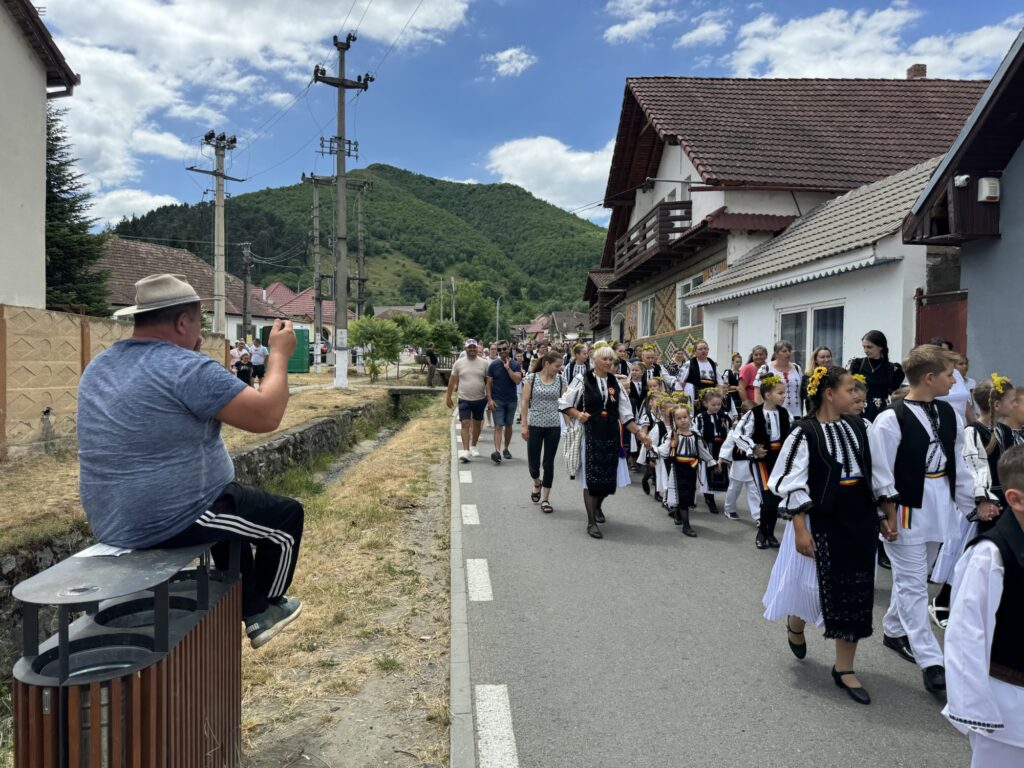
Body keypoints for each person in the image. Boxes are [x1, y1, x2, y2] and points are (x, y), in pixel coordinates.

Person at [77, 274, 304, 650]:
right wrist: (279, 355)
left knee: (232, 511)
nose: (201, 331)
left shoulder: (101, 365)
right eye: (200, 322)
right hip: (171, 517)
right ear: (183, 323)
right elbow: (266, 415)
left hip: (111, 519)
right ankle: (266, 607)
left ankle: (248, 604)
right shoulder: (185, 367)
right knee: (285, 519)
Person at [765, 366, 879, 705]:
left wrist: (887, 513)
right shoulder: (805, 432)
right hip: (821, 517)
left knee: (855, 588)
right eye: (849, 389)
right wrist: (800, 529)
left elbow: (878, 471)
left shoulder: (861, 426)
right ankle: (796, 624)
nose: (856, 395)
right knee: (810, 586)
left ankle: (844, 668)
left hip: (859, 516)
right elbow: (790, 481)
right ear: (829, 394)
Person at [870, 344, 976, 696]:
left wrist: (974, 505)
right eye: (949, 375)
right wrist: (883, 514)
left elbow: (959, 467)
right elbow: (880, 473)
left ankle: (893, 629)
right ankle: (932, 662)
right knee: (914, 585)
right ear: (930, 378)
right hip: (904, 511)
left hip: (938, 506)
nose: (954, 381)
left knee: (913, 580)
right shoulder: (891, 419)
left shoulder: (949, 414)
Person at [942, 444, 1024, 768]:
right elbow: (966, 633)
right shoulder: (991, 555)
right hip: (1008, 704)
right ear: (1016, 499)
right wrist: (977, 709)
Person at [929, 375, 1014, 629]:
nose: (1015, 404)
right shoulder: (972, 432)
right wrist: (983, 499)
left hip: (1002, 500)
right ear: (997, 405)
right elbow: (974, 468)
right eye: (1012, 400)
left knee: (993, 556)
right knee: (967, 554)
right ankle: (942, 601)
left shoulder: (1003, 431)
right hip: (981, 503)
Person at [558, 345, 652, 539]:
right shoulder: (582, 379)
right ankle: (591, 522)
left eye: (611, 360)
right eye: (605, 359)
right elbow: (565, 403)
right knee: (591, 479)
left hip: (610, 433)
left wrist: (639, 433)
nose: (609, 363)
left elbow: (625, 413)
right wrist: (578, 414)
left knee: (608, 480)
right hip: (589, 433)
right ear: (594, 360)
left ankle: (598, 506)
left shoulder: (615, 382)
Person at [735, 374, 791, 549]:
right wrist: (753, 448)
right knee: (767, 497)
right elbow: (739, 434)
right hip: (762, 460)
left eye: (784, 393)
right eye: (780, 393)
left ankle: (770, 533)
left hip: (779, 461)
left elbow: (793, 435)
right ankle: (762, 533)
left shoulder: (785, 413)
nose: (784, 396)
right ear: (768, 395)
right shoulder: (754, 413)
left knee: (775, 497)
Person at [520, 351, 567, 514]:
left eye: (560, 366)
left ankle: (546, 499)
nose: (559, 369)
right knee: (533, 464)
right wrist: (524, 425)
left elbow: (565, 405)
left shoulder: (561, 380)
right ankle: (536, 482)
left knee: (548, 463)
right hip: (535, 424)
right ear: (547, 364)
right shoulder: (531, 378)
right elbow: (524, 402)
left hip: (553, 426)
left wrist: (569, 426)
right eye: (557, 365)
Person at [658, 403, 714, 537]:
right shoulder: (673, 435)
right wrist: (652, 449)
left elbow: (702, 451)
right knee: (682, 495)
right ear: (674, 421)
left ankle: (678, 513)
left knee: (689, 494)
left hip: (692, 469)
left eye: (685, 417)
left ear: (690, 418)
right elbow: (664, 450)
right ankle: (686, 525)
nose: (683, 420)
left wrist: (712, 462)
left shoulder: (695, 436)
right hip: (678, 469)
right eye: (679, 418)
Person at [847, 330, 906, 422]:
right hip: (860, 410)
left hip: (882, 412)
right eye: (864, 347)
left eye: (869, 347)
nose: (865, 350)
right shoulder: (857, 364)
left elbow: (895, 394)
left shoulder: (893, 369)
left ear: (881, 347)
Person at [446, 339, 489, 463]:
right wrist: (448, 397)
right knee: (465, 423)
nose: (472, 349)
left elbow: (489, 381)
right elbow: (452, 381)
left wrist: (489, 396)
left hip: (479, 398)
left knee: (477, 424)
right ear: (465, 349)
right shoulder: (458, 363)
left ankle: (473, 446)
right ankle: (465, 450)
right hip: (464, 398)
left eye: (474, 347)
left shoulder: (484, 363)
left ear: (477, 348)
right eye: (469, 347)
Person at [720, 401, 761, 522]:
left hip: (753, 463)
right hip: (739, 463)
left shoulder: (758, 428)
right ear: (742, 415)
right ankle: (729, 509)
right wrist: (722, 458)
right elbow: (728, 444)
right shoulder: (735, 429)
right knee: (734, 489)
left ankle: (758, 516)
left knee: (754, 490)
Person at [694, 388, 731, 515]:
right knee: (707, 472)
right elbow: (697, 434)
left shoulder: (724, 416)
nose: (716, 407)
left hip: (721, 447)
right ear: (705, 404)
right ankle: (709, 498)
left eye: (718, 404)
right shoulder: (700, 417)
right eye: (713, 404)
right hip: (707, 447)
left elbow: (729, 433)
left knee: (719, 472)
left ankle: (712, 495)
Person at [486, 340, 523, 464]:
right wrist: (490, 400)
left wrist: (508, 369)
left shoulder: (515, 364)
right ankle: (497, 451)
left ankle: (506, 448)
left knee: (508, 425)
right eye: (499, 349)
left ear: (508, 349)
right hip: (497, 400)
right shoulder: (493, 365)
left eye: (504, 349)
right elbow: (488, 384)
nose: (502, 351)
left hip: (511, 400)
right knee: (498, 426)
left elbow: (517, 381)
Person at [754, 340, 803, 418]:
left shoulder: (797, 368)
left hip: (795, 413)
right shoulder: (766, 368)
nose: (788, 353)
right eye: (784, 351)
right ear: (776, 354)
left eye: (789, 350)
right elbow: (758, 391)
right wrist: (759, 413)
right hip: (774, 413)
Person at [677, 340, 719, 406]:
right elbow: (679, 382)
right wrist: (682, 399)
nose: (703, 351)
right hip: (693, 397)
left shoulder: (712, 363)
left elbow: (719, 383)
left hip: (710, 399)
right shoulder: (689, 364)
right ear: (695, 351)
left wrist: (719, 397)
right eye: (700, 349)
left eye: (705, 348)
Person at [800, 347, 833, 413]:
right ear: (815, 360)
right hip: (814, 413)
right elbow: (805, 397)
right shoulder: (808, 377)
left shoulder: (836, 374)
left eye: (828, 356)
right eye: (822, 357)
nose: (826, 360)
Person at [721, 352, 743, 418]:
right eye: (737, 362)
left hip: (740, 397)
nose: (739, 364)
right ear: (733, 362)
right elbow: (724, 386)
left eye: (740, 362)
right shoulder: (728, 372)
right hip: (731, 397)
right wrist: (736, 387)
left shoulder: (742, 372)